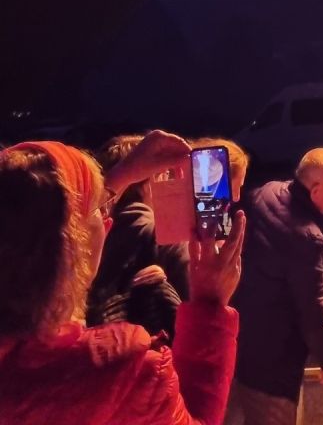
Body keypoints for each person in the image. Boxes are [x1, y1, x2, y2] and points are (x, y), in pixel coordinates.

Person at [0, 132, 244, 424]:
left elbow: (29, 206)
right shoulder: (125, 368)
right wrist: (210, 303)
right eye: (97, 211)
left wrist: (120, 175)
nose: (108, 220)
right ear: (75, 247)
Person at [229, 148, 323, 424]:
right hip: (272, 360)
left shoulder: (268, 191)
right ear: (315, 189)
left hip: (242, 341)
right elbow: (312, 309)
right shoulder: (305, 237)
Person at [87, 133, 191, 340]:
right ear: (151, 177)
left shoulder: (85, 230)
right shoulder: (157, 231)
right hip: (149, 354)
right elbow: (194, 299)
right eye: (163, 175)